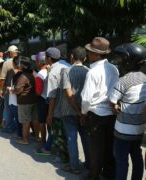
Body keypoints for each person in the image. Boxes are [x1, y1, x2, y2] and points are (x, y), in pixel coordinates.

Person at [81, 37, 119, 180]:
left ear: (96, 55)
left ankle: (94, 176)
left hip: (96, 114)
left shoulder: (92, 73)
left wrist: (83, 113)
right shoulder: (114, 68)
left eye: (90, 52)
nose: (88, 54)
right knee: (109, 147)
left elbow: (86, 98)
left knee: (96, 148)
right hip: (110, 113)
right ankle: (109, 175)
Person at [109, 43, 146, 180]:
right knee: (136, 156)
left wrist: (116, 108)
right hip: (139, 128)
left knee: (121, 161)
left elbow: (112, 102)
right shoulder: (145, 79)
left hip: (123, 130)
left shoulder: (123, 81)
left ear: (128, 61)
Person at [60, 47, 90, 174]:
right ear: (85, 58)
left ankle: (74, 167)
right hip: (85, 111)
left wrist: (77, 111)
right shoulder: (89, 71)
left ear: (72, 56)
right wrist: (82, 112)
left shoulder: (66, 71)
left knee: (72, 138)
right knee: (86, 138)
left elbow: (69, 93)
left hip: (69, 111)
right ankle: (89, 164)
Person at [45, 47, 70, 164]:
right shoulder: (67, 66)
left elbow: (52, 96)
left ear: (49, 58)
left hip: (57, 108)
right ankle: (70, 156)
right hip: (70, 106)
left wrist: (49, 114)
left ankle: (61, 157)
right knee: (67, 133)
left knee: (58, 134)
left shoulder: (52, 72)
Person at [13, 56, 38, 144]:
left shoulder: (23, 76)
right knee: (35, 119)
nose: (18, 64)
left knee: (25, 121)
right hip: (34, 100)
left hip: (24, 101)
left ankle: (25, 139)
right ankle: (36, 137)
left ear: (23, 65)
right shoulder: (34, 73)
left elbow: (18, 90)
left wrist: (11, 90)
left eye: (19, 63)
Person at [0, 45, 20, 133]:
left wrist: (1, 90)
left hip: (9, 88)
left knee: (8, 108)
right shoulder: (22, 60)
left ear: (11, 53)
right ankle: (18, 128)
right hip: (21, 88)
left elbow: (2, 79)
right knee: (18, 108)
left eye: (8, 53)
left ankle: (9, 127)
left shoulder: (6, 63)